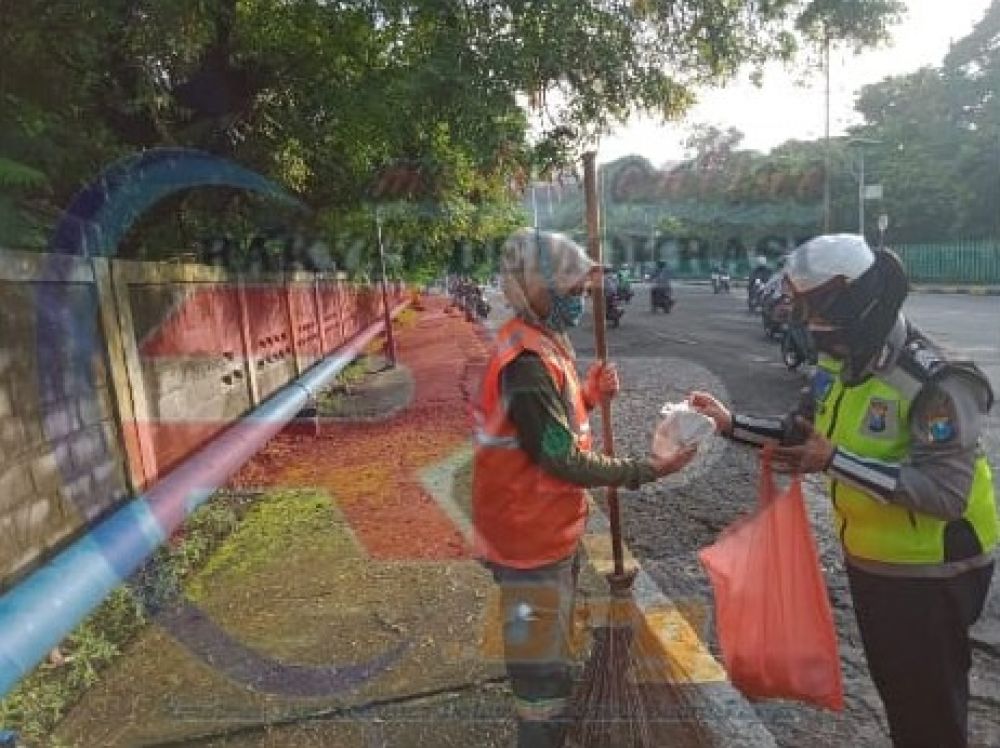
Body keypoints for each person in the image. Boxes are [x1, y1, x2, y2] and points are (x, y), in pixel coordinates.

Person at [690, 234, 997, 748]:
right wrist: (728, 424)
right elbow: (801, 434)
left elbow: (945, 494)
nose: (814, 331)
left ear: (862, 304)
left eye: (821, 316)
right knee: (901, 695)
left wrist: (835, 462)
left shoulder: (935, 382)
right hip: (873, 561)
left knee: (931, 710)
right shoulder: (840, 366)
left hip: (933, 571)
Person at [472, 228, 698, 748]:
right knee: (540, 677)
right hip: (529, 541)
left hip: (544, 530)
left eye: (582, 293)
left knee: (547, 649)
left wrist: (590, 395)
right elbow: (561, 457)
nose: (580, 301)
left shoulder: (542, 342)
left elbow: (555, 427)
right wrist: (646, 470)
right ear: (533, 289)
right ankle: (541, 735)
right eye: (571, 292)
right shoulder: (525, 363)